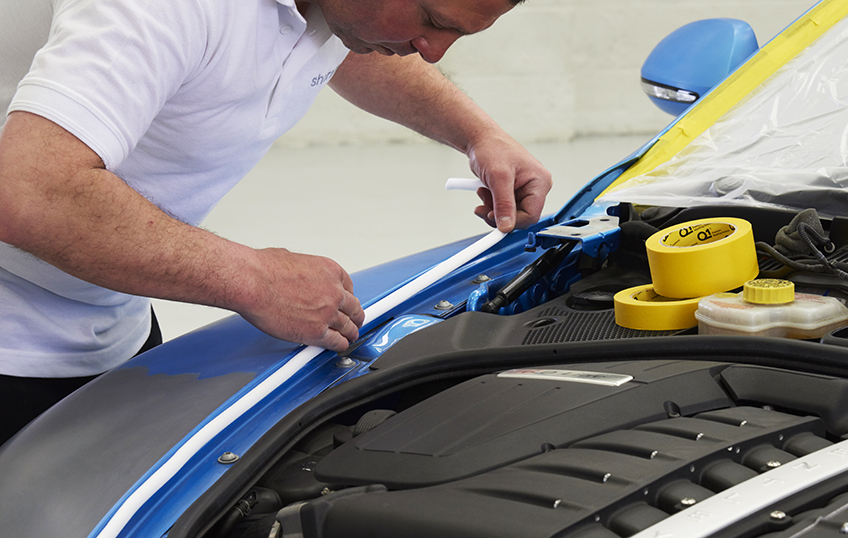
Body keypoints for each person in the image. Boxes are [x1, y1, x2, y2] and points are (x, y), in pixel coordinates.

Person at [0, 0, 553, 443]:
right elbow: (28, 191)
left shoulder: (335, 11)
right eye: (432, 20)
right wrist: (254, 279)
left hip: (107, 322)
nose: (432, 52)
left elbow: (352, 41)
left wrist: (479, 134)